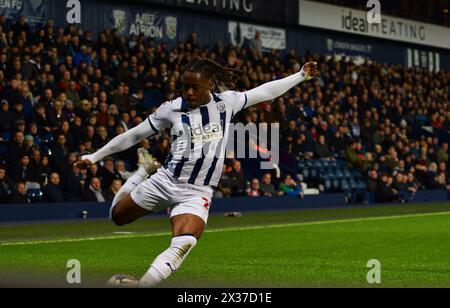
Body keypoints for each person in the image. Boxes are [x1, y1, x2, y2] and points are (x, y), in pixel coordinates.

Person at [76, 58, 318, 287]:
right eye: (185, 87)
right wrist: (95, 156)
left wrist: (300, 76)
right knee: (117, 217)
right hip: (165, 181)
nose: (189, 93)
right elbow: (134, 134)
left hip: (198, 192)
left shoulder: (227, 103)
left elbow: (265, 91)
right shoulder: (171, 109)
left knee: (186, 241)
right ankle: (142, 172)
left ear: (209, 85)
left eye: (194, 87)